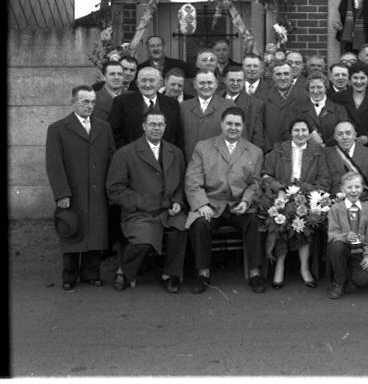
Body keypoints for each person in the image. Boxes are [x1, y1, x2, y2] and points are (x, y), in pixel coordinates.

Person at [184, 106, 266, 294]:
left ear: (243, 126)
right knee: (200, 224)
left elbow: (255, 183)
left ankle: (254, 273)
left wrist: (246, 201)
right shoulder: (203, 147)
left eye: (237, 124)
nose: (233, 128)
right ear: (221, 124)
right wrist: (202, 204)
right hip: (211, 204)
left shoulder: (254, 151)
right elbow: (193, 180)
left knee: (254, 222)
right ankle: (202, 273)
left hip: (238, 206)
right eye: (229, 123)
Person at [106, 110, 188, 293]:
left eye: (160, 125)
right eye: (152, 124)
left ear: (165, 127)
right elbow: (115, 189)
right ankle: (124, 271)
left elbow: (182, 184)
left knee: (181, 228)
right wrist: (142, 202)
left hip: (168, 211)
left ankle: (171, 274)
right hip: (139, 212)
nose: (156, 128)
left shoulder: (175, 152)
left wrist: (177, 202)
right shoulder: (126, 153)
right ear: (144, 127)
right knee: (144, 239)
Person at [46, 85, 115, 290]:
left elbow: (112, 158)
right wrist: (62, 193)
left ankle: (91, 273)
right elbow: (54, 164)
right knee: (71, 230)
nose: (90, 106)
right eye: (85, 101)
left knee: (95, 231)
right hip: (72, 191)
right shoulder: (58, 128)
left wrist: (111, 188)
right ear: (73, 102)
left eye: (93, 102)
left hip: (98, 191)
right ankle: (70, 275)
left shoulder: (103, 127)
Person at [261, 118, 330, 289]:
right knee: (282, 217)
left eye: (304, 130)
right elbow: (265, 175)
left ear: (310, 133)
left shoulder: (318, 152)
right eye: (297, 130)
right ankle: (280, 265)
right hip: (281, 195)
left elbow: (324, 181)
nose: (301, 134)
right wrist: (280, 189)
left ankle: (304, 267)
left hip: (307, 196)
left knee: (304, 216)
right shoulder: (279, 150)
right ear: (291, 132)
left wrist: (304, 191)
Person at [326, 172, 368, 299]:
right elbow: (332, 234)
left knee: (363, 280)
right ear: (342, 189)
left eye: (357, 187)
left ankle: (351, 277)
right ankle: (339, 282)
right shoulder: (336, 208)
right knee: (336, 247)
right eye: (349, 188)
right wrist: (345, 236)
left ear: (362, 188)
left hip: (359, 250)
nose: (353, 191)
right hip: (343, 247)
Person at [108, 66, 180, 148]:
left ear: (160, 83)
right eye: (143, 80)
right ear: (137, 83)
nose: (147, 84)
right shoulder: (122, 102)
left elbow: (177, 135)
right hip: (131, 155)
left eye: (152, 80)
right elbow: (112, 133)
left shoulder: (172, 104)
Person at [179, 69, 236, 162]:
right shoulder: (184, 107)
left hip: (219, 164)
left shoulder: (228, 105)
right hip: (191, 163)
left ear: (216, 84)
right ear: (195, 85)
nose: (206, 86)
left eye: (210, 83)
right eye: (202, 83)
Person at [325, 120, 368, 204]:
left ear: (355, 134)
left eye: (348, 133)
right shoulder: (327, 154)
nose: (344, 137)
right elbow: (324, 184)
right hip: (336, 204)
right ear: (335, 137)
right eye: (340, 134)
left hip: (363, 202)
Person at [333, 62, 368, 152]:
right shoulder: (337, 98)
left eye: (362, 78)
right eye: (355, 78)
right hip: (343, 148)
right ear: (350, 79)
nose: (358, 82)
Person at [261, 60, 305, 148]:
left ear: (292, 76)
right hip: (270, 150)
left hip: (297, 149)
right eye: (278, 74)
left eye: (286, 74)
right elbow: (260, 128)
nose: (283, 78)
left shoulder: (304, 96)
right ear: (273, 77)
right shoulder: (263, 98)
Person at [297, 72, 348, 146]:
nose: (315, 91)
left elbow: (344, 131)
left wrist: (326, 145)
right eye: (312, 87)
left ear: (326, 88)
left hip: (333, 151)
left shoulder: (339, 109)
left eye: (319, 87)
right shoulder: (298, 109)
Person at [221, 68, 266, 150]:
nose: (235, 83)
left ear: (244, 81)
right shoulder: (215, 98)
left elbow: (257, 137)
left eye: (239, 80)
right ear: (225, 80)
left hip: (243, 153)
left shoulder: (255, 104)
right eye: (231, 80)